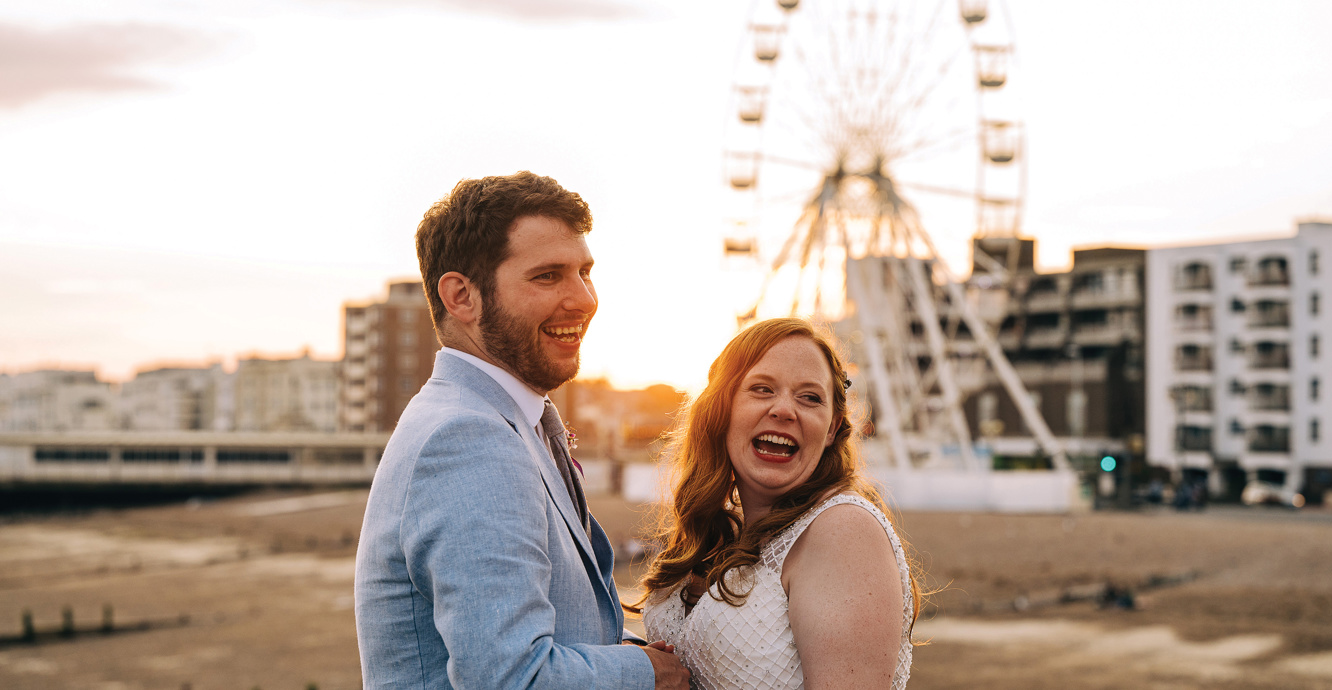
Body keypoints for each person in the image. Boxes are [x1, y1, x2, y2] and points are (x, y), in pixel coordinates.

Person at [355, 171, 688, 689]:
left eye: (585, 271)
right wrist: (649, 673)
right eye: (548, 276)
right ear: (462, 296)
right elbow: (512, 678)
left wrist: (621, 648)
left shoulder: (504, 421)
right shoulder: (467, 439)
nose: (584, 299)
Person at [633, 318, 920, 690]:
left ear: (832, 428)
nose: (784, 409)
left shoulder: (843, 531)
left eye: (810, 397)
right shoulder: (722, 535)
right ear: (723, 408)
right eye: (762, 389)